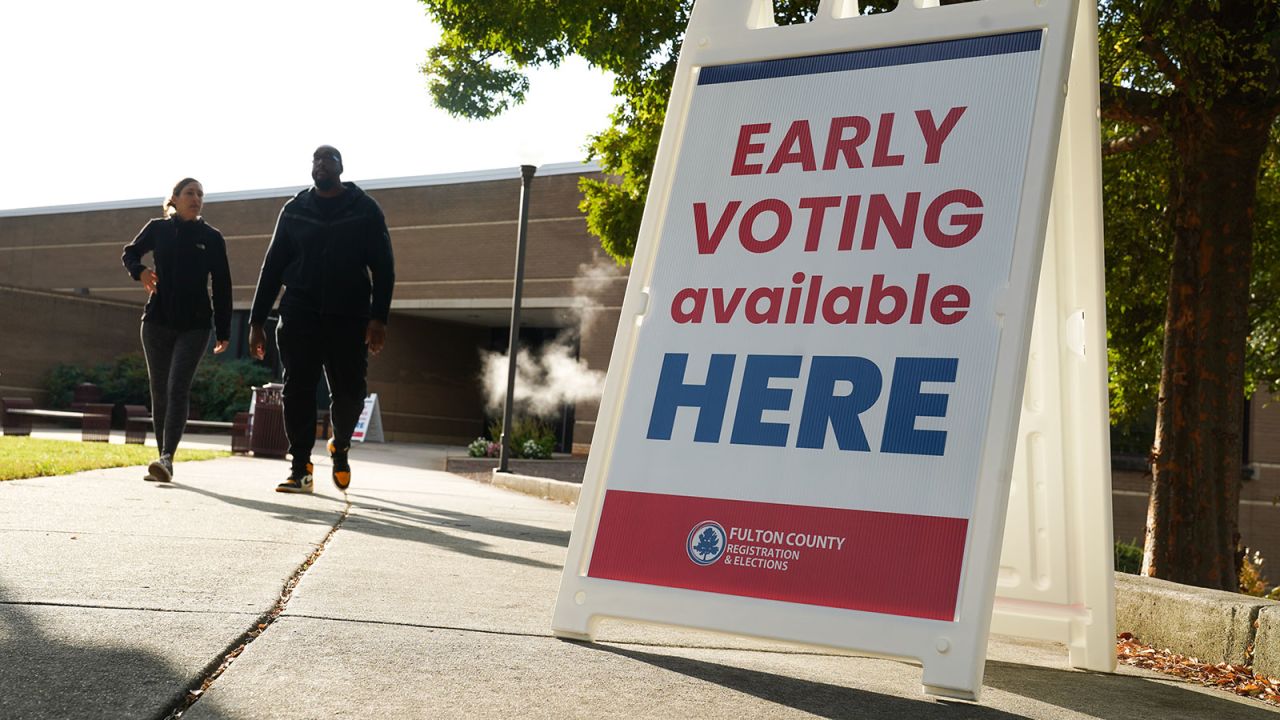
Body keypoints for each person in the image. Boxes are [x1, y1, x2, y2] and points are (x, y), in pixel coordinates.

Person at [247, 145, 395, 493]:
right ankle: (301, 468)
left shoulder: (365, 210)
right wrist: (256, 321)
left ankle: (340, 445)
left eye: (328, 160)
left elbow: (384, 267)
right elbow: (272, 267)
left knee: (350, 394)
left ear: (341, 167)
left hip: (349, 317)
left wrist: (379, 318)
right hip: (300, 313)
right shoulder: (295, 210)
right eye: (316, 159)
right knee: (297, 390)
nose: (321, 164)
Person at [121, 178, 232, 482]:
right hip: (156, 321)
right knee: (159, 391)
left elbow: (222, 285)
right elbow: (129, 253)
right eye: (189, 193)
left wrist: (223, 329)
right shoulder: (158, 228)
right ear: (175, 198)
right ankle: (163, 458)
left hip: (194, 326)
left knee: (177, 387)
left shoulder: (211, 237)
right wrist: (140, 271)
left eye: (200, 194)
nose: (196, 198)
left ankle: (167, 456)